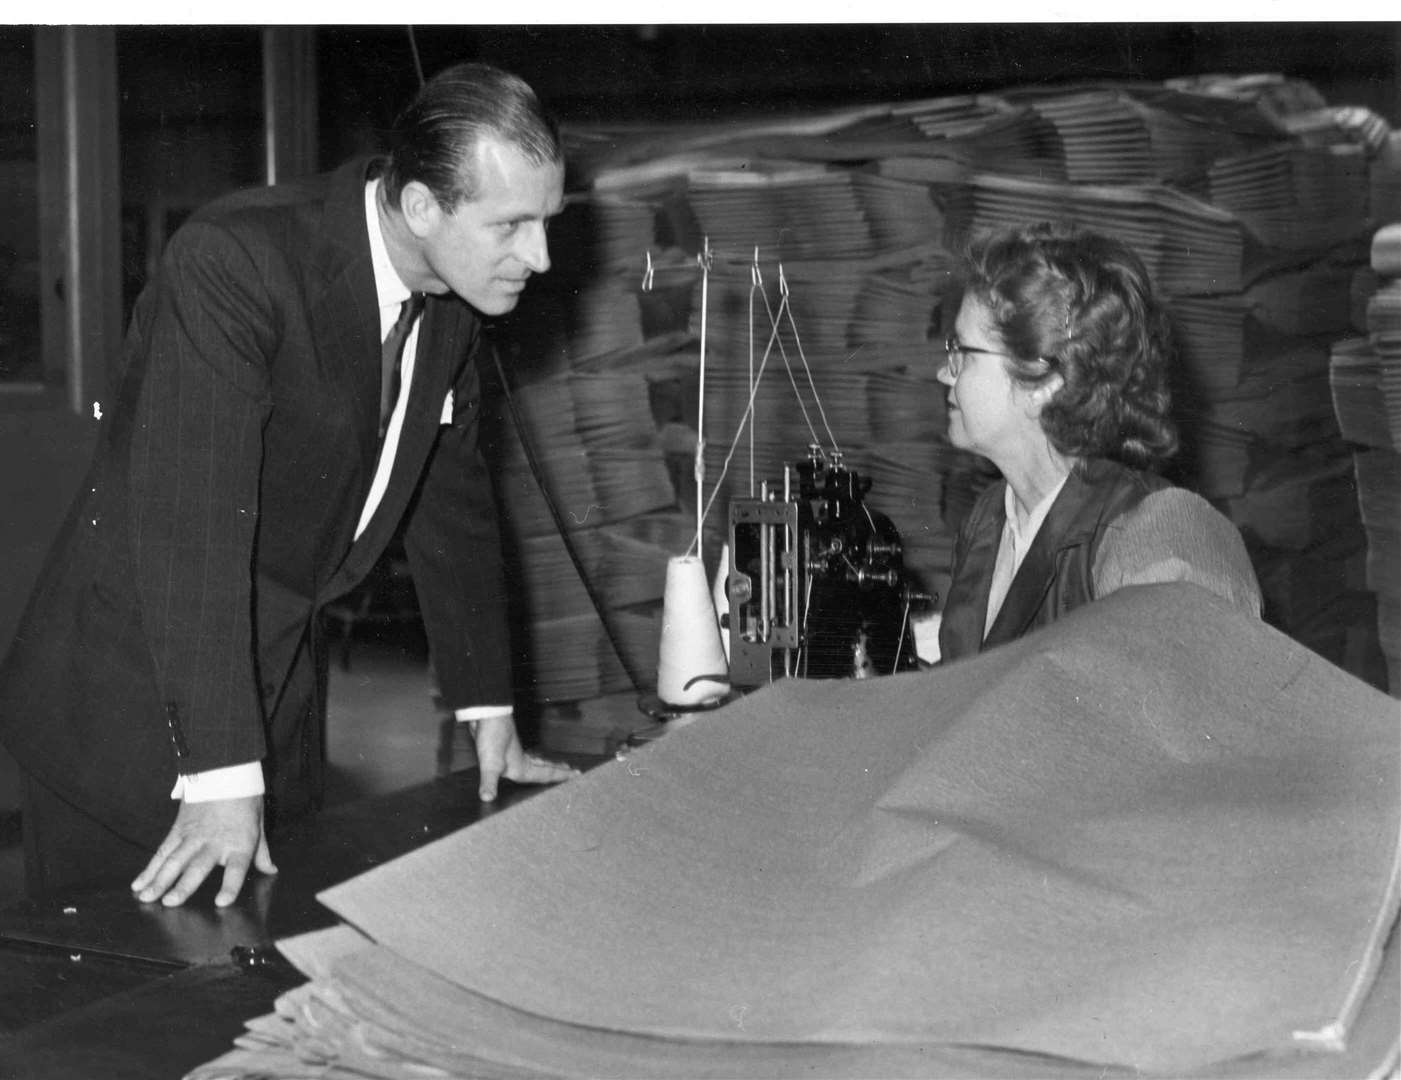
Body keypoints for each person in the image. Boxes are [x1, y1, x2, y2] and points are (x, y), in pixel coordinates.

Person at [0, 62, 577, 908]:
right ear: (421, 207)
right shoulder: (235, 264)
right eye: (513, 226)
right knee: (117, 1009)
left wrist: (487, 704)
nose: (541, 256)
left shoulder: (451, 300)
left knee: (252, 986)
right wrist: (221, 772)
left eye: (548, 221)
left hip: (276, 698)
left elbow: (449, 504)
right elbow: (192, 532)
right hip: (131, 705)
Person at [935, 222, 1262, 663]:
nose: (943, 372)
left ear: (1044, 379)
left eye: (962, 352)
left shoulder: (1161, 534)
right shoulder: (989, 519)